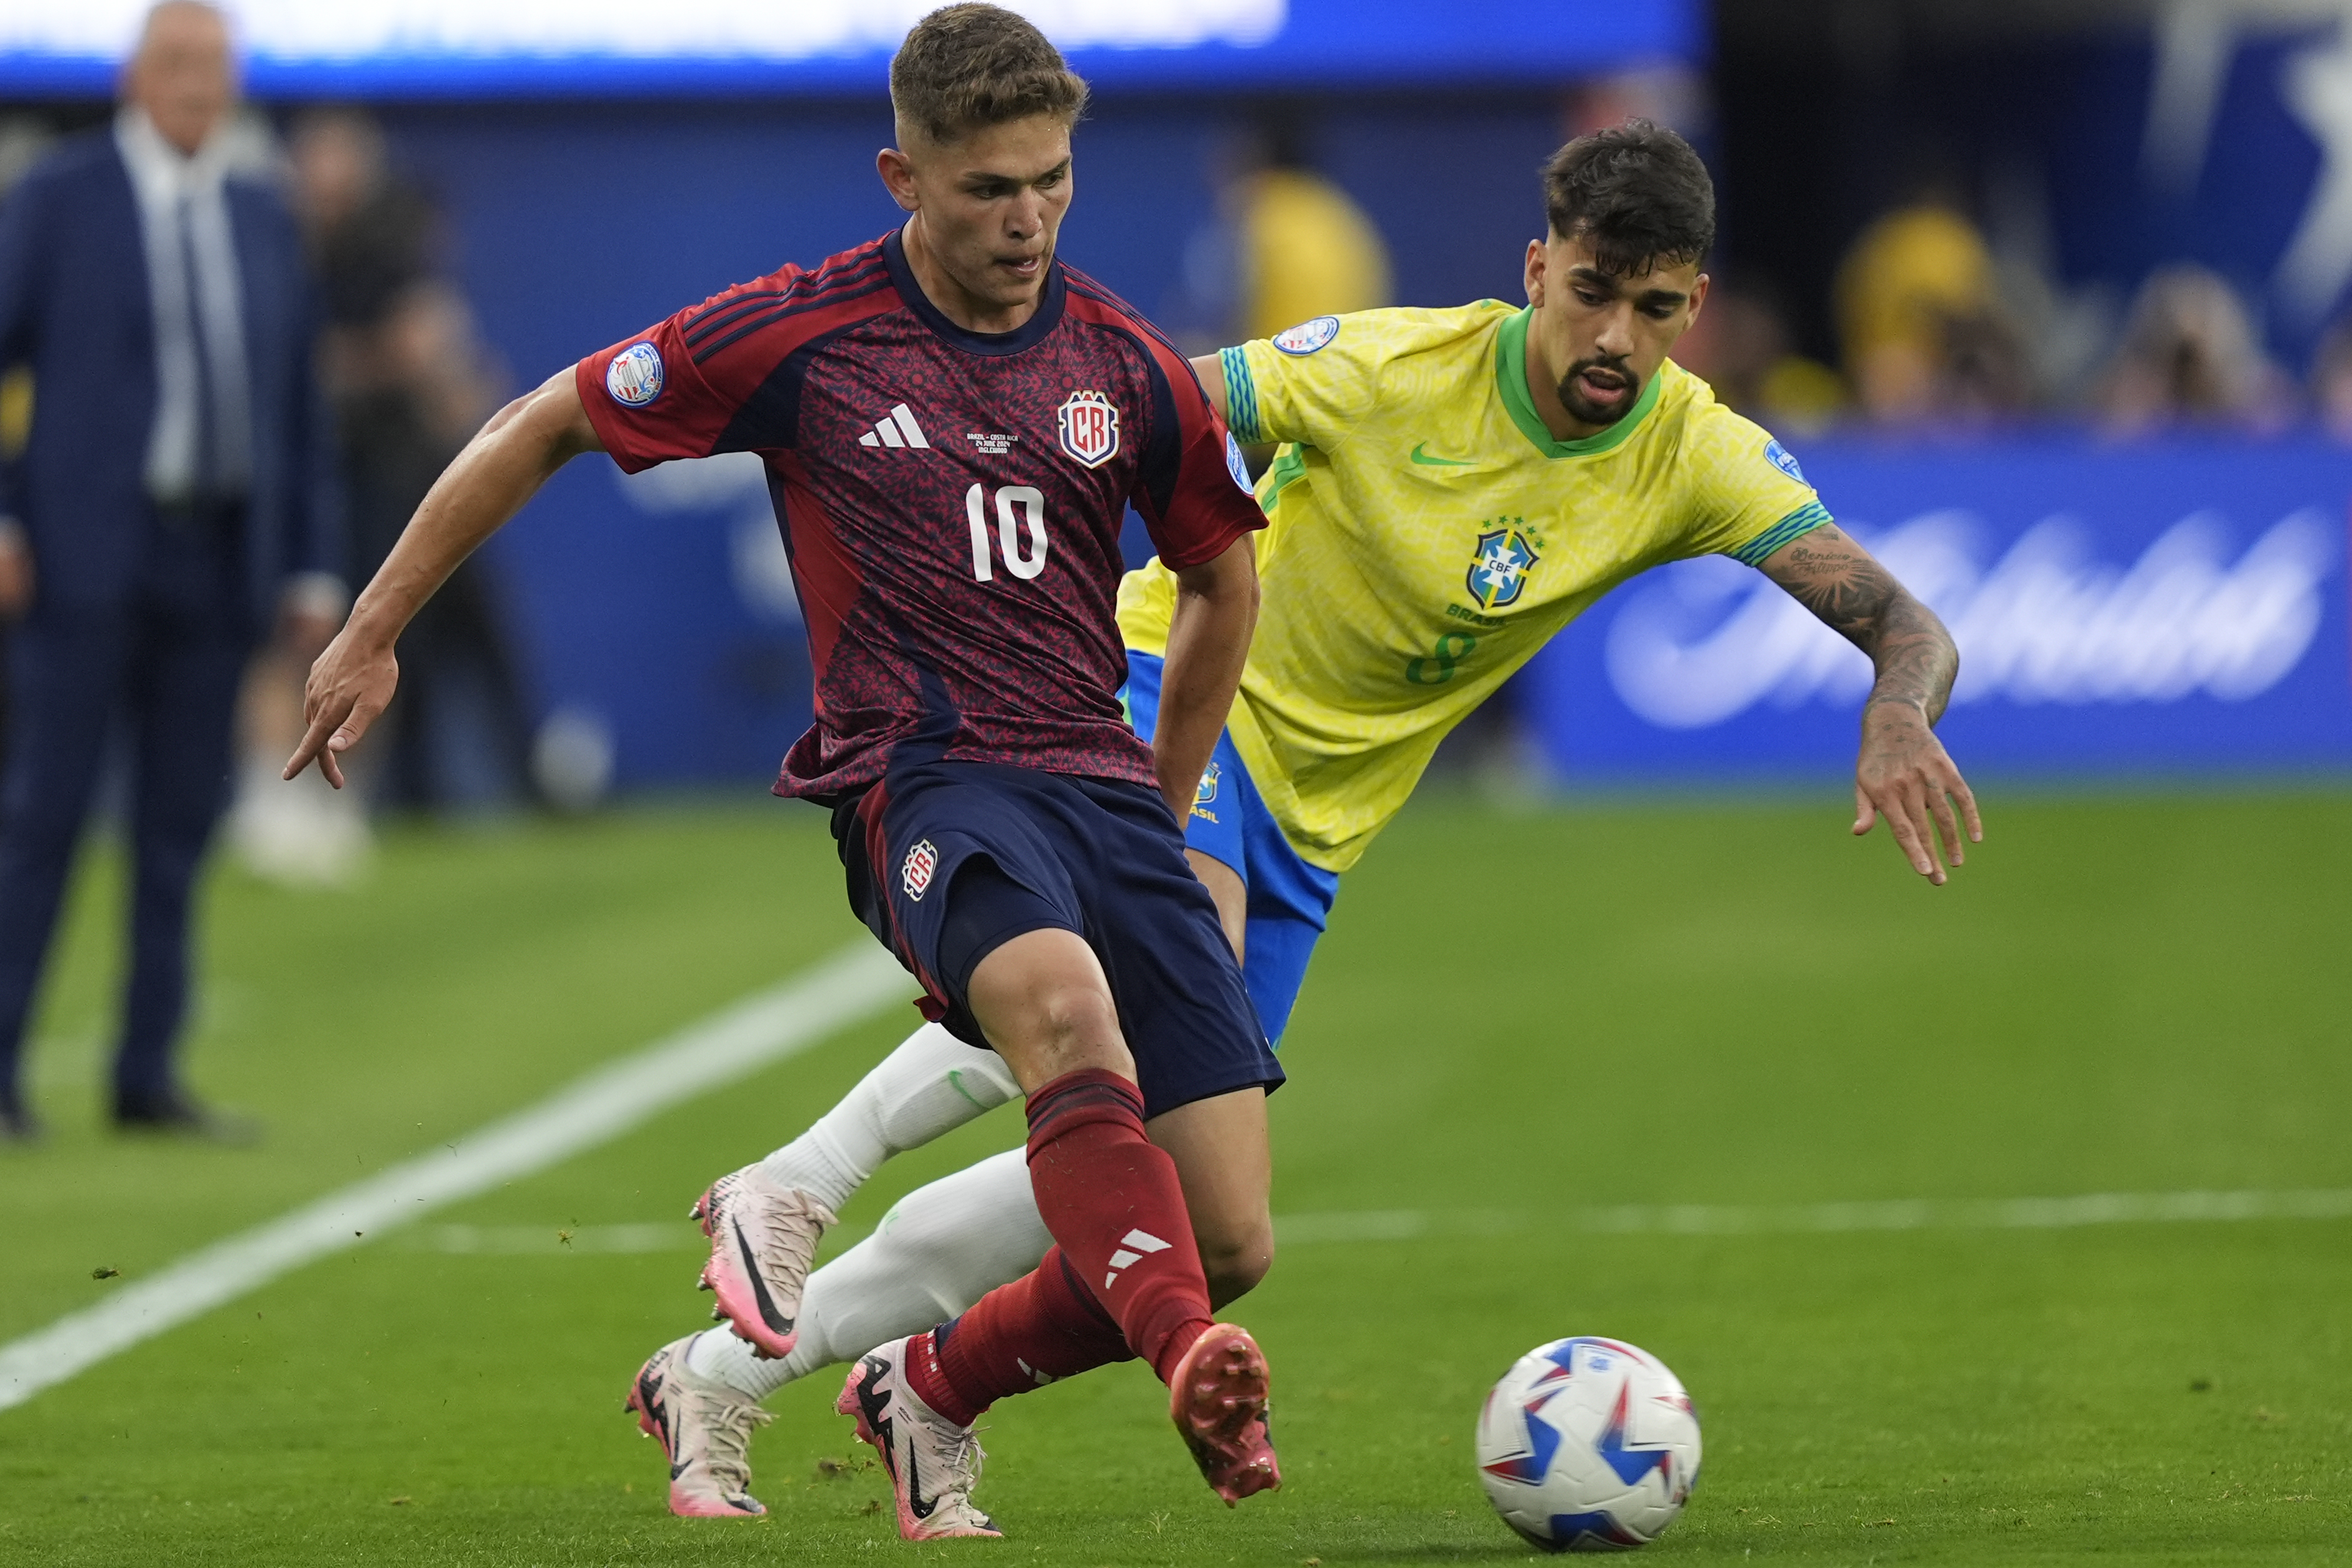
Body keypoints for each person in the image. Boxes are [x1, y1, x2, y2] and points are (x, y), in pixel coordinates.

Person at [634, 119, 1984, 1516]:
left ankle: (859, 1383)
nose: (1618, 338)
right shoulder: (1388, 368)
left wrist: (1896, 710)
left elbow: (1905, 622)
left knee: (1210, 1238)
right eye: (1593, 290)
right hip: (1171, 699)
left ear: (1693, 308)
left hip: (1323, 828)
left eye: (1655, 309)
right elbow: (1137, 406)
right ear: (1538, 269)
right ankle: (798, 1178)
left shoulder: (1696, 455)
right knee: (1144, 979)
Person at [286, 2, 1282, 1538]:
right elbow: (543, 418)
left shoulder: (1127, 362)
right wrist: (374, 627)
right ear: (903, 175)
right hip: (926, 781)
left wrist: (1161, 795)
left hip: (1098, 787)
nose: (1027, 222)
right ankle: (1188, 1360)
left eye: (1051, 183)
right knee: (1069, 1021)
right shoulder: (801, 336)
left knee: (1226, 1232)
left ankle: (932, 1383)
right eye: (987, 190)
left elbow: (1224, 579)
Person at [0, 1, 341, 1143]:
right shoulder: (59, 196)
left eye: (215, 66)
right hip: (82, 554)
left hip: (219, 551)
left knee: (177, 824)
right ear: (131, 74)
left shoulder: (258, 210)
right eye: (178, 63)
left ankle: (144, 1075)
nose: (198, 85)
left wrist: (310, 560)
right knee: (44, 816)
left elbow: (296, 403)